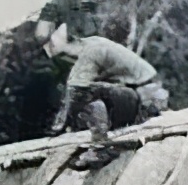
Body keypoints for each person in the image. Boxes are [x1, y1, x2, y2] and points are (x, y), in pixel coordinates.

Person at [40, 23, 168, 168]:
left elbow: (76, 92)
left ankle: (100, 148)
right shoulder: (90, 44)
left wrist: (60, 129)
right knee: (84, 93)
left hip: (146, 98)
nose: (47, 48)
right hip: (145, 94)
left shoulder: (91, 52)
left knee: (82, 92)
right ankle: (100, 143)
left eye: (50, 43)